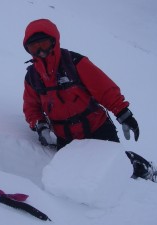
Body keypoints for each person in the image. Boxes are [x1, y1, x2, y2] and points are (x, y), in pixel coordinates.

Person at [22, 19, 139, 150]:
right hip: (67, 140)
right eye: (34, 47)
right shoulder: (32, 77)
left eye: (44, 44)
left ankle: (144, 169)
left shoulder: (74, 63)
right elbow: (31, 107)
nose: (40, 51)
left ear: (54, 41)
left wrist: (123, 114)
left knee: (114, 167)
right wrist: (40, 125)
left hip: (98, 130)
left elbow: (104, 89)